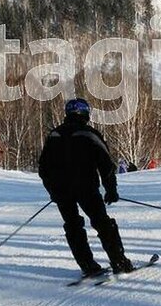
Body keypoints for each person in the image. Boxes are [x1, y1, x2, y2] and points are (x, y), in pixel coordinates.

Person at [38, 98, 134, 276]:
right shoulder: (89, 134)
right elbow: (106, 165)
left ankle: (87, 265)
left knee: (73, 225)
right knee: (102, 223)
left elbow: (43, 168)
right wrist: (111, 189)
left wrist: (52, 190)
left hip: (61, 191)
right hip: (86, 188)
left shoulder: (54, 135)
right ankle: (119, 261)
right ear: (85, 113)